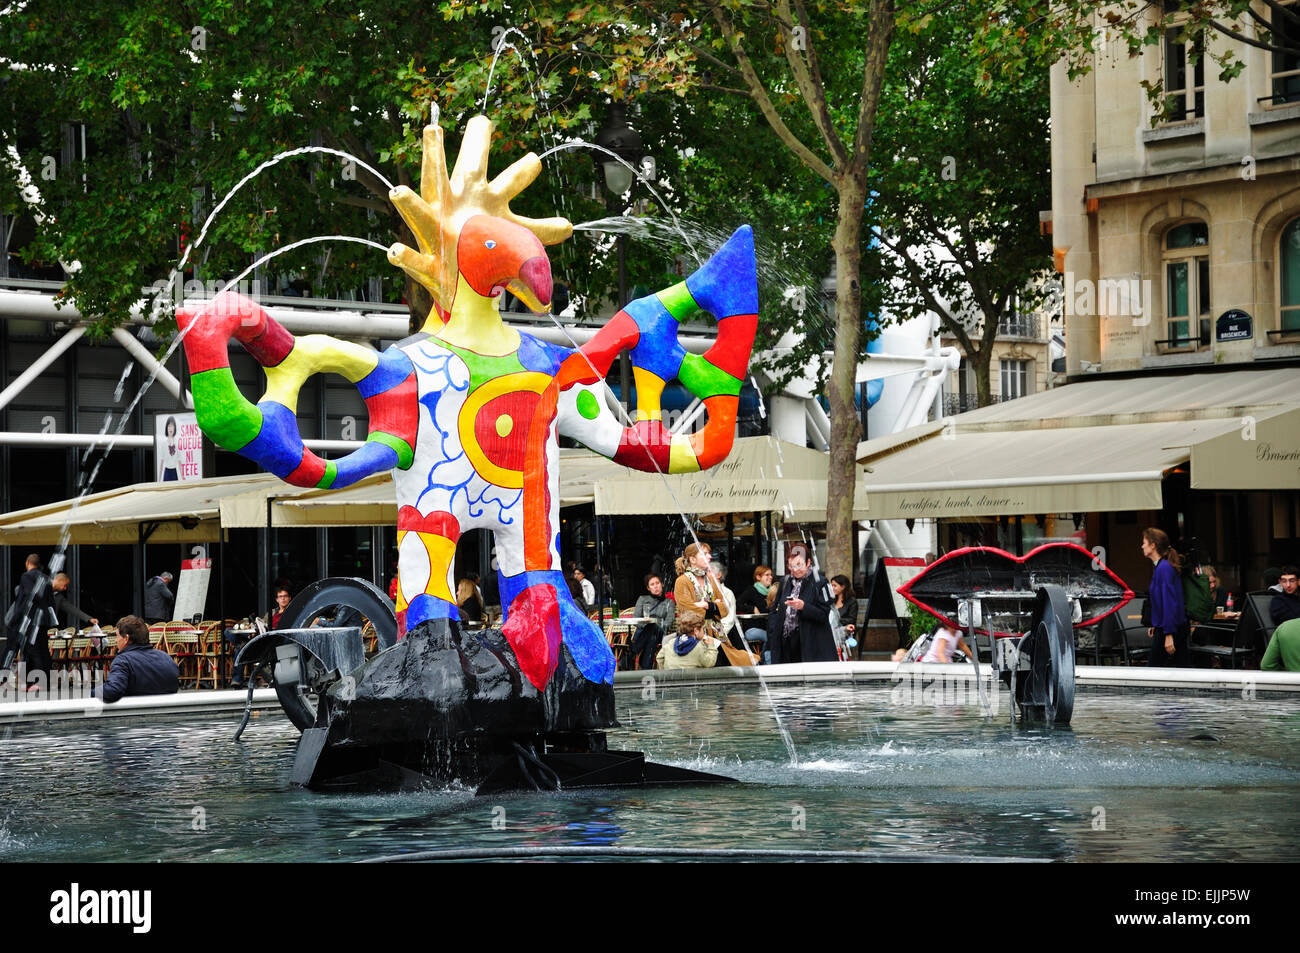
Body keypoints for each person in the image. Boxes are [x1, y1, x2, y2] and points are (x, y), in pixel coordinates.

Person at [767, 542, 837, 664]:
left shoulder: (821, 582)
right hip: (785, 643)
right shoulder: (785, 581)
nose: (795, 570)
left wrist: (804, 607)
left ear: (808, 562)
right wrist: (773, 632)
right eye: (791, 566)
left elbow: (823, 614)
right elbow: (775, 610)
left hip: (810, 643)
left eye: (799, 565)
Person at [95, 615, 179, 702]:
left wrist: (91, 692)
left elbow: (112, 691)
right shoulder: (166, 658)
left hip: (135, 713)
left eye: (117, 636)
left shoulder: (123, 661)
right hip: (168, 711)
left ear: (126, 638)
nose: (116, 641)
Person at [1142, 527, 1190, 667]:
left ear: (1153, 545)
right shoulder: (1162, 567)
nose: (1142, 546)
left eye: (1144, 542)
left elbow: (1169, 603)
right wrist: (1154, 624)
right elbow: (1162, 601)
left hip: (1169, 628)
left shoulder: (1163, 568)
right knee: (1181, 668)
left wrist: (1168, 634)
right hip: (1169, 626)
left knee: (1154, 670)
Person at [9, 554, 56, 690]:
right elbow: (51, 602)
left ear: (27, 562)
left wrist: (16, 619)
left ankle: (39, 683)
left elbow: (28, 598)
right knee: (43, 650)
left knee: (33, 650)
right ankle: (44, 682)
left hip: (31, 618)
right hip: (44, 619)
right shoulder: (46, 578)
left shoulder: (26, 577)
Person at [673, 542, 727, 642]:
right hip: (693, 635)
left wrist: (706, 605)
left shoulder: (711, 579)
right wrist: (714, 607)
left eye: (709, 553)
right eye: (705, 554)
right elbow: (686, 610)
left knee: (739, 656)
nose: (710, 557)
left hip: (717, 632)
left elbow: (725, 607)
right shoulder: (682, 581)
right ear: (692, 559)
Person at [629, 573, 675, 671]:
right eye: (652, 584)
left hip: (660, 633)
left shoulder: (669, 602)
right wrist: (646, 626)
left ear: (662, 584)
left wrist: (657, 626)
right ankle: (647, 668)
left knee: (653, 627)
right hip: (643, 632)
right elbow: (636, 619)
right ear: (648, 588)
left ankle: (634, 650)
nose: (655, 586)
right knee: (652, 637)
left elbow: (669, 621)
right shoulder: (642, 599)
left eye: (657, 583)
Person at [735, 566, 773, 662]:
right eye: (767, 575)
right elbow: (736, 604)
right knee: (771, 637)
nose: (771, 577)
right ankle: (765, 662)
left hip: (767, 629)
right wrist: (752, 608)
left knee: (774, 636)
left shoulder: (772, 592)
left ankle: (764, 661)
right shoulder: (751, 590)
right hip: (752, 629)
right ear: (758, 577)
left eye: (771, 575)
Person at [655, 617, 721, 670]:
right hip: (693, 683)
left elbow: (660, 658)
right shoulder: (698, 646)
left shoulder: (671, 642)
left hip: (671, 681)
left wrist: (665, 672)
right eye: (702, 629)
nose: (704, 632)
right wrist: (711, 646)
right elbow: (709, 663)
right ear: (696, 631)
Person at [830, 574, 858, 660]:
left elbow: (852, 619)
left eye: (835, 585)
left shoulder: (852, 601)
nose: (832, 588)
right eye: (831, 585)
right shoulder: (831, 600)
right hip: (832, 633)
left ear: (843, 586)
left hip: (845, 634)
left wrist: (836, 620)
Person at [158, 415, 180, 481]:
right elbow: (161, 462)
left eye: (172, 426)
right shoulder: (163, 444)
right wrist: (159, 479)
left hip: (174, 471)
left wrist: (183, 476)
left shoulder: (177, 443)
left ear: (175, 428)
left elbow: (180, 461)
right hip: (167, 472)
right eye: (169, 426)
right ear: (166, 428)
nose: (170, 428)